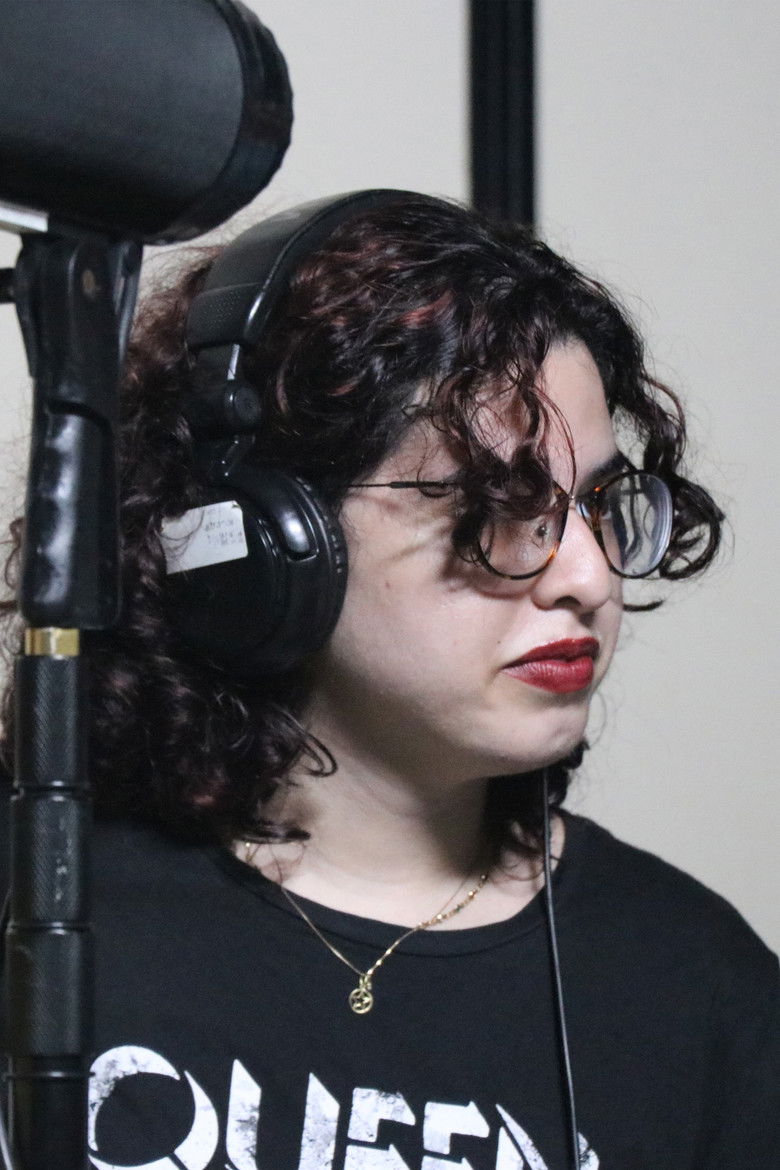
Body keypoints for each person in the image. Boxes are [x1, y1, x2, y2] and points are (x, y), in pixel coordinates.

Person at [0, 192, 776, 1170]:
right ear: (267, 545)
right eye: (500, 505)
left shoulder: (700, 988)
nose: (589, 577)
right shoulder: (42, 904)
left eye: (598, 504)